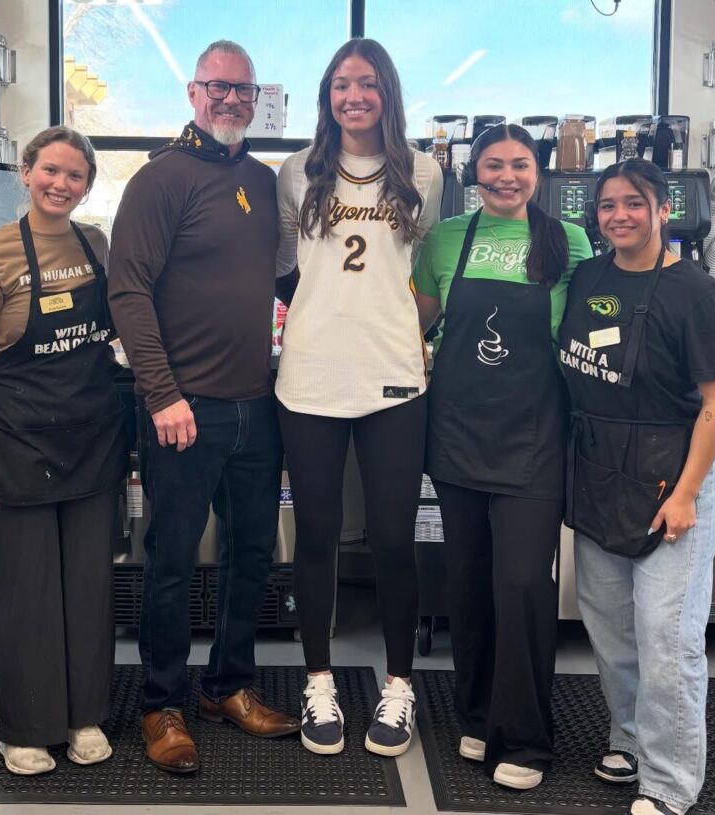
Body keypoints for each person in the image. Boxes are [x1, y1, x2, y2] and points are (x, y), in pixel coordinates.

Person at [108, 39, 299, 774]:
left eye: (243, 89)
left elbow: (283, 282)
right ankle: (161, 703)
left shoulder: (260, 182)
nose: (231, 99)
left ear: (258, 99)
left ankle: (227, 686)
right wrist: (162, 393)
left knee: (252, 553)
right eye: (218, 86)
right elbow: (128, 290)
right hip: (183, 410)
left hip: (257, 403)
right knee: (172, 559)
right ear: (193, 92)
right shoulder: (160, 180)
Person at [274, 38, 441, 757]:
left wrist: (392, 323)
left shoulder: (423, 171)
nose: (354, 96)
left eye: (367, 84)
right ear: (327, 95)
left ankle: (399, 685)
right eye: (341, 84)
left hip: (394, 378)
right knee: (316, 536)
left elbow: (418, 269)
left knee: (394, 538)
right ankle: (318, 681)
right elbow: (288, 269)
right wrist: (327, 315)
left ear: (387, 92)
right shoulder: (296, 172)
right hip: (310, 377)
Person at [413, 123, 592, 789]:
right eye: (493, 164)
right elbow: (414, 323)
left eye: (520, 164)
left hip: (534, 436)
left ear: (538, 172)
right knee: (467, 580)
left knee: (521, 583)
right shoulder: (445, 238)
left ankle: (526, 738)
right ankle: (479, 712)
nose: (506, 176)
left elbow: (587, 330)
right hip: (457, 432)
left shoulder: (566, 240)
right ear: (474, 172)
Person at [560, 159, 715, 815]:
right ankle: (629, 740)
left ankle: (669, 780)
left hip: (673, 477)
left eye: (634, 203)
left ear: (663, 210)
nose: (620, 216)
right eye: (608, 205)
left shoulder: (697, 292)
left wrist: (686, 493)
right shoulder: (588, 276)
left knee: (667, 637)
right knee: (612, 629)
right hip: (601, 473)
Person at [0, 126, 126, 776]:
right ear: (26, 172)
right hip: (16, 440)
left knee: (87, 585)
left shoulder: (95, 245)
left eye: (75, 175)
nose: (61, 184)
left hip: (90, 437)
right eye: (50, 170)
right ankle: (23, 726)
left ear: (87, 186)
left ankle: (85, 715)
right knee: (24, 588)